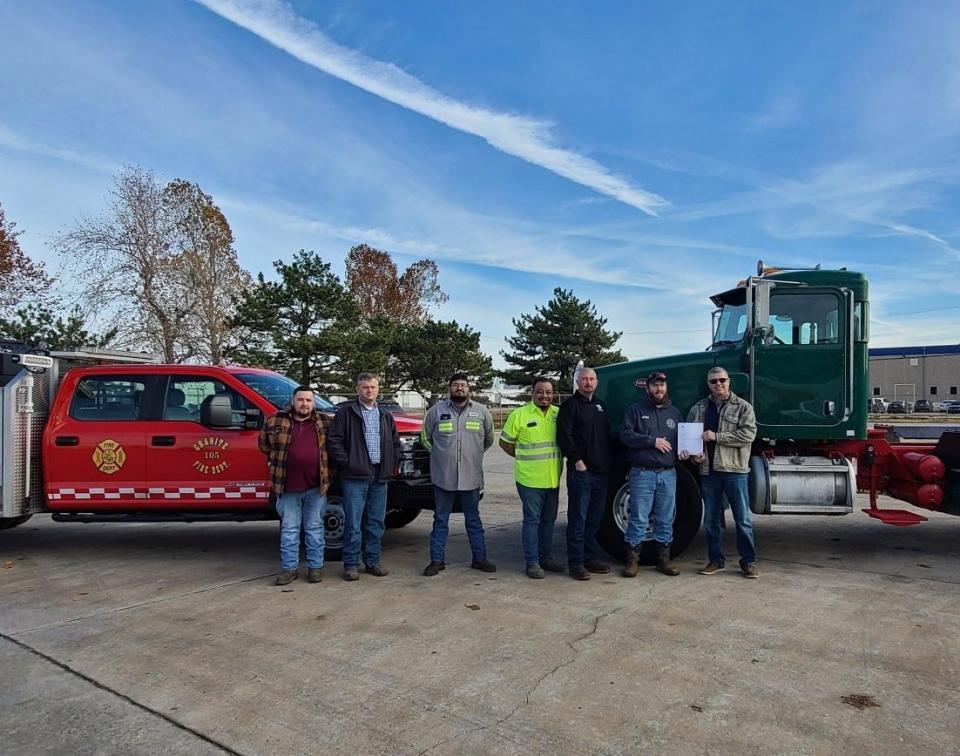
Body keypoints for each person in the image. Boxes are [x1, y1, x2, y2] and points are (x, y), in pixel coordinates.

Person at [682, 366, 759, 579]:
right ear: (708, 384)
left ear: (729, 381)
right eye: (714, 381)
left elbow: (748, 434)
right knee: (710, 521)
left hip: (735, 471)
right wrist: (693, 456)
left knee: (742, 519)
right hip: (708, 472)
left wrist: (716, 437)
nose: (719, 384)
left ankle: (748, 562)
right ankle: (716, 560)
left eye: (722, 380)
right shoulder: (698, 408)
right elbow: (690, 438)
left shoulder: (743, 407)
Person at [420, 373, 497, 576]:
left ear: (469, 389)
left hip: (471, 478)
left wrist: (473, 455)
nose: (459, 388)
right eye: (456, 385)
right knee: (441, 520)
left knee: (473, 520)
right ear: (450, 388)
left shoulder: (481, 412)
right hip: (443, 478)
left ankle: (479, 558)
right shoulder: (436, 412)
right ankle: (437, 561)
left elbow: (488, 440)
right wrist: (440, 456)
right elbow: (425, 439)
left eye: (463, 385)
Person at [327, 373, 400, 581]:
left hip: (380, 475)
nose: (370, 391)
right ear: (357, 389)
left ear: (378, 389)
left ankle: (373, 561)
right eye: (365, 387)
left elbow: (395, 443)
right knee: (353, 522)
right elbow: (334, 441)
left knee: (376, 522)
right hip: (354, 477)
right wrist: (349, 462)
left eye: (373, 387)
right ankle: (350, 564)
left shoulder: (385, 415)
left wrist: (391, 462)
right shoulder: (346, 413)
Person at [258, 385, 331, 586]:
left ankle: (315, 568)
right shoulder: (275, 420)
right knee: (289, 530)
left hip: (316, 487)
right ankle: (289, 569)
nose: (304, 404)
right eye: (300, 400)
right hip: (286, 487)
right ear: (293, 400)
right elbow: (264, 445)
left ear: (313, 402)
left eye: (308, 400)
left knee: (315, 529)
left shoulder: (325, 422)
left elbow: (334, 448)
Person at [499, 377, 565, 579]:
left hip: (553, 479)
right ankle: (532, 562)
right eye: (540, 392)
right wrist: (523, 458)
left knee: (549, 521)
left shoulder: (558, 414)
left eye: (548, 392)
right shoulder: (519, 415)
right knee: (532, 521)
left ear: (553, 394)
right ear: (532, 393)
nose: (545, 396)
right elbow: (505, 443)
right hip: (529, 480)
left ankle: (546, 557)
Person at [619, 371, 681, 577]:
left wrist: (689, 451)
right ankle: (632, 561)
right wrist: (651, 441)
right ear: (648, 388)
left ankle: (663, 560)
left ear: (666, 388)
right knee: (638, 517)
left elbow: (682, 441)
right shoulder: (635, 410)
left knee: (665, 519)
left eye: (662, 385)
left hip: (668, 474)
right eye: (655, 385)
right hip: (642, 474)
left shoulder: (675, 413)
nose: (659, 389)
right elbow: (625, 435)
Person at [557, 366, 612, 580]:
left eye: (591, 379)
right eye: (584, 379)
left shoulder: (600, 406)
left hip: (602, 473)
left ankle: (591, 558)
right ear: (578, 383)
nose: (588, 382)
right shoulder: (570, 407)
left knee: (594, 519)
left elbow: (606, 437)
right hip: (582, 473)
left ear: (596, 382)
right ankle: (576, 563)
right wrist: (578, 461)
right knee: (577, 519)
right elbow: (564, 437)